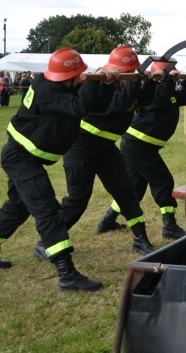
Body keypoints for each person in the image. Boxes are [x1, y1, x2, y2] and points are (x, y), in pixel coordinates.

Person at [36, 46, 157, 258]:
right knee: (78, 200)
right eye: (130, 70)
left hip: (105, 147)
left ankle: (140, 240)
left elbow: (144, 101)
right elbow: (118, 107)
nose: (133, 73)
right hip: (82, 145)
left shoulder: (129, 82)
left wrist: (154, 82)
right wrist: (134, 81)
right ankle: (46, 240)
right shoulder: (99, 81)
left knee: (126, 192)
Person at [0, 48, 103, 291]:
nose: (80, 79)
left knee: (16, 210)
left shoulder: (56, 85)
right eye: (78, 75)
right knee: (48, 211)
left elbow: (89, 103)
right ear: (68, 76)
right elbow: (79, 107)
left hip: (26, 157)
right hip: (20, 158)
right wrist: (93, 81)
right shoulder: (47, 91)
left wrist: (105, 82)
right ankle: (67, 275)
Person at [99, 61, 186, 240]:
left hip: (139, 146)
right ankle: (170, 226)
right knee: (163, 181)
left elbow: (184, 98)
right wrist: (167, 81)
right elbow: (160, 99)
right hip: (139, 145)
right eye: (170, 74)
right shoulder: (152, 92)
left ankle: (107, 221)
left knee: (135, 188)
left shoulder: (168, 92)